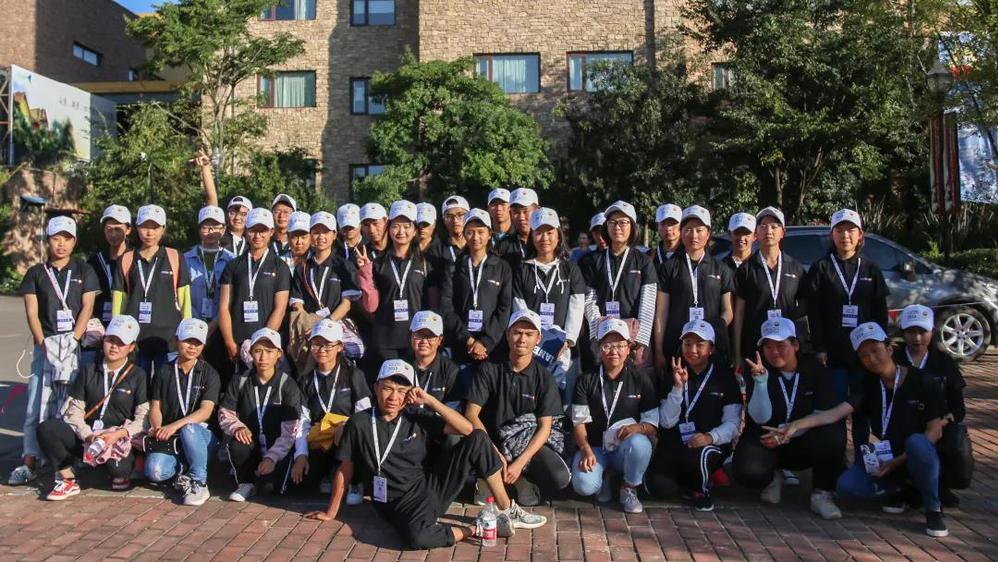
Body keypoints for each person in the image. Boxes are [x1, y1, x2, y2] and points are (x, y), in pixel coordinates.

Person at [305, 359, 548, 549]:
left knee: (478, 439)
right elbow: (345, 468)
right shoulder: (358, 423)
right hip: (394, 503)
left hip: (430, 489)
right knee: (417, 538)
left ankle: (507, 509)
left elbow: (468, 429)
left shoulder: (417, 417)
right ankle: (477, 529)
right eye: (388, 388)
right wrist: (332, 511)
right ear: (376, 387)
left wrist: (431, 401)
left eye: (401, 390)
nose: (394, 397)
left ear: (411, 393)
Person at [767, 322, 950, 538]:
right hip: (888, 456)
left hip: (916, 454)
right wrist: (795, 425)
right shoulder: (867, 385)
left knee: (917, 443)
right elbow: (835, 414)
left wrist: (898, 461)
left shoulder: (923, 380)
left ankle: (933, 509)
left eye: (876, 350)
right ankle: (899, 489)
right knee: (846, 487)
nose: (871, 358)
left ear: (889, 349)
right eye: (864, 355)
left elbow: (935, 431)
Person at [9, 217, 100, 487]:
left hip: (73, 345)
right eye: (56, 238)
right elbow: (32, 312)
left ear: (74, 241)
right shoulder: (36, 272)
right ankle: (29, 461)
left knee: (70, 404)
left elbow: (88, 306)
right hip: (45, 346)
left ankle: (67, 459)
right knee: (35, 404)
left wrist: (74, 338)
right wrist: (42, 343)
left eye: (67, 238)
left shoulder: (84, 269)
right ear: (47, 240)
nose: (61, 244)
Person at [732, 318, 844, 519]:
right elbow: (759, 418)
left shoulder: (815, 369)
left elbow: (823, 412)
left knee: (834, 433)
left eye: (780, 346)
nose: (774, 352)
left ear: (795, 345)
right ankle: (772, 477)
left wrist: (789, 432)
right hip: (766, 438)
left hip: (803, 438)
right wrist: (760, 383)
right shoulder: (757, 368)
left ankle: (822, 493)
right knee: (747, 471)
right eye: (768, 346)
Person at [801, 208, 888, 451]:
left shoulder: (871, 269)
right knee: (835, 406)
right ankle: (837, 458)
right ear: (832, 235)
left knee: (862, 408)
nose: (845, 236)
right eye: (839, 230)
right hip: (833, 353)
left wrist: (881, 345)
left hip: (865, 354)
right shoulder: (821, 268)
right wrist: (819, 347)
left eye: (851, 230)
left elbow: (880, 311)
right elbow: (814, 313)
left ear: (860, 235)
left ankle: (862, 455)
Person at [465, 310, 571, 506]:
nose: (522, 339)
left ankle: (520, 479)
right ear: (507, 335)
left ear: (538, 339)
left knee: (560, 477)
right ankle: (489, 480)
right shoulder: (488, 369)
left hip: (523, 443)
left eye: (529, 334)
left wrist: (519, 463)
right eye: (517, 332)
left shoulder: (544, 378)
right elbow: (471, 415)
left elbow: (545, 427)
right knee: (465, 436)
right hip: (490, 442)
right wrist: (495, 455)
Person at [37, 315, 148, 500]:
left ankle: (112, 468)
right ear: (103, 340)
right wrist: (88, 435)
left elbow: (143, 419)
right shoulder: (88, 370)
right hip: (88, 437)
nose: (114, 346)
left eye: (121, 343)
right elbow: (73, 412)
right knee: (47, 429)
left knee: (118, 472)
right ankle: (68, 478)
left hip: (117, 441)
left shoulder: (139, 375)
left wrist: (117, 435)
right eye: (110, 340)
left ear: (131, 347)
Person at [647, 320, 742, 512]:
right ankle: (689, 482)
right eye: (687, 344)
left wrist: (710, 437)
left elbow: (733, 423)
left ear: (711, 348)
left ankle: (701, 489)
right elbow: (666, 422)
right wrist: (677, 388)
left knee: (700, 454)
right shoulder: (673, 374)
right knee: (657, 486)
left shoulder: (725, 377)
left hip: (709, 444)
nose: (692, 350)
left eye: (700, 344)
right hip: (677, 443)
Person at [570, 318, 657, 513]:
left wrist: (638, 428)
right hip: (595, 449)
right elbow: (578, 422)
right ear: (599, 348)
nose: (614, 351)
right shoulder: (586, 379)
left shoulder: (640, 378)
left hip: (623, 448)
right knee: (584, 486)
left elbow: (652, 423)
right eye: (607, 345)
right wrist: (585, 449)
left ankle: (628, 487)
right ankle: (604, 478)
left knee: (640, 444)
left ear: (628, 348)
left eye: (619, 345)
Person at [893, 304, 967, 507]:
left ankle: (940, 485)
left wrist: (940, 423)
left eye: (922, 331)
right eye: (911, 332)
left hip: (937, 426)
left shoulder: (944, 362)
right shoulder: (893, 360)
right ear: (902, 332)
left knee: (954, 437)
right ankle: (903, 485)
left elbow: (959, 409)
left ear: (932, 331)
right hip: (900, 425)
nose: (917, 338)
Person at [219, 328, 303, 502]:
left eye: (269, 351)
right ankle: (245, 482)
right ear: (250, 353)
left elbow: (291, 430)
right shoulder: (240, 380)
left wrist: (272, 457)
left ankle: (265, 475)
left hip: (278, 447)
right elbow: (225, 413)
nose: (263, 357)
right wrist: (237, 427)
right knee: (238, 444)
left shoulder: (288, 384)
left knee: (271, 489)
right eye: (258, 351)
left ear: (279, 354)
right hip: (251, 443)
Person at [512, 207, 586, 404]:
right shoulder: (523, 269)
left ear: (558, 236)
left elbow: (577, 305)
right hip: (532, 347)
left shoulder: (570, 269)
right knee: (533, 398)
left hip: (564, 349)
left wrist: (567, 341)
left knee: (563, 402)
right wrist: (532, 340)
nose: (544, 238)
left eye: (550, 232)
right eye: (539, 232)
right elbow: (519, 308)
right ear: (532, 236)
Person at [291, 319, 371, 499]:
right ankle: (327, 474)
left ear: (340, 347)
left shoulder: (354, 374)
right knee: (301, 482)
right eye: (316, 344)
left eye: (328, 345)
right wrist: (301, 455)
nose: (321, 350)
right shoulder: (305, 379)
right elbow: (302, 420)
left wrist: (346, 426)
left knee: (348, 436)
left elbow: (365, 416)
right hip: (319, 440)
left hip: (346, 438)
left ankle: (355, 481)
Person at [145, 318, 221, 506]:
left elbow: (206, 411)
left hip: (200, 438)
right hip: (171, 440)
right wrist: (158, 428)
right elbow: (155, 407)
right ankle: (182, 471)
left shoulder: (210, 373)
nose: (192, 346)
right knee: (155, 471)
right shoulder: (163, 371)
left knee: (190, 428)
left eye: (198, 342)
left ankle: (199, 481)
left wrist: (174, 426)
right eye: (188, 340)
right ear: (177, 340)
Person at [111, 204, 192, 375]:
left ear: (163, 229)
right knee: (136, 387)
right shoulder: (126, 259)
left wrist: (186, 335)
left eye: (155, 227)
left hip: (168, 339)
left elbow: (185, 301)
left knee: (166, 386)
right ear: (136, 228)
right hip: (134, 339)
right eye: (144, 227)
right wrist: (117, 336)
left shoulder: (174, 256)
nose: (149, 233)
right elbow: (119, 303)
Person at [654, 205, 734, 367]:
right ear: (681, 232)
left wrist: (714, 328)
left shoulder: (721, 269)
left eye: (699, 230)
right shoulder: (668, 268)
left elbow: (728, 311)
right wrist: (659, 351)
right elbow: (661, 313)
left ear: (708, 233)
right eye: (688, 229)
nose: (694, 235)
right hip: (677, 346)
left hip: (710, 346)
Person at [218, 208, 292, 379]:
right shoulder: (233, 265)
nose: (258, 235)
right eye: (253, 230)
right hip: (238, 343)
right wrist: (230, 343)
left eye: (263, 230)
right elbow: (223, 307)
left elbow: (280, 308)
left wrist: (262, 344)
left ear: (271, 232)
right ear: (246, 231)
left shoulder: (280, 266)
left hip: (267, 344)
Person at [583, 201, 657, 372]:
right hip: (603, 338)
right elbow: (590, 299)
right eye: (612, 222)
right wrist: (598, 335)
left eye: (623, 222)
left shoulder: (644, 261)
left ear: (632, 227)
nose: (617, 227)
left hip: (632, 339)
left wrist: (639, 342)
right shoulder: (593, 261)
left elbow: (648, 302)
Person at [732, 207, 805, 368]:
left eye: (774, 226)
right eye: (763, 226)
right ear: (756, 233)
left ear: (782, 232)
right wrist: (736, 354)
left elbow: (804, 306)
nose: (768, 231)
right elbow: (739, 314)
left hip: (786, 348)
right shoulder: (746, 269)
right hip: (755, 348)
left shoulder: (795, 268)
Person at [440, 208, 512, 370]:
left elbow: (504, 309)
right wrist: (469, 340)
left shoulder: (502, 268)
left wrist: (485, 342)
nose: (476, 237)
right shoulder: (454, 267)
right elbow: (446, 307)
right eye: (470, 232)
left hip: (492, 348)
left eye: (481, 232)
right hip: (461, 345)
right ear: (464, 234)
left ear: (489, 234)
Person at [290, 212, 361, 321]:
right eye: (316, 232)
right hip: (309, 325)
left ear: (334, 235)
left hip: (336, 323)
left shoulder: (344, 266)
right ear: (310, 235)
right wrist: (307, 322)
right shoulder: (301, 268)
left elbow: (346, 304)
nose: (321, 236)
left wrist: (328, 323)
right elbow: (297, 303)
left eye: (326, 232)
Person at [186, 205, 236, 324]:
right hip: (192, 323)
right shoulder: (185, 259)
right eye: (206, 227)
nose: (211, 231)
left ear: (223, 229)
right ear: (199, 229)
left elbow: (233, 297)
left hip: (223, 324)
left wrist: (216, 323)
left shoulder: (233, 260)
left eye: (216, 227)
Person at [407, 310, 463, 412]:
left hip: (437, 421)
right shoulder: (401, 366)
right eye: (419, 335)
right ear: (410, 336)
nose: (424, 341)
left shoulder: (451, 371)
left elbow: (453, 411)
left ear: (439, 340)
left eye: (430, 336)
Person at [88, 205, 131, 327]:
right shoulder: (94, 261)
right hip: (99, 325)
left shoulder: (135, 260)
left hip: (128, 324)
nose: (113, 234)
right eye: (109, 229)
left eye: (118, 229)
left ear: (128, 230)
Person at [495, 188, 538, 265]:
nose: (521, 218)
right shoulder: (503, 245)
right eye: (516, 212)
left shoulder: (546, 242)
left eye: (525, 211)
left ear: (537, 211)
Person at [427, 195, 468, 267]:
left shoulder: (477, 244)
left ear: (469, 215)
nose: (455, 220)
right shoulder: (437, 249)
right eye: (449, 216)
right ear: (443, 220)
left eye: (460, 215)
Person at [271, 193, 297, 268]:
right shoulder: (264, 243)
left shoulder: (299, 244)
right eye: (277, 212)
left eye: (286, 212)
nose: (281, 216)